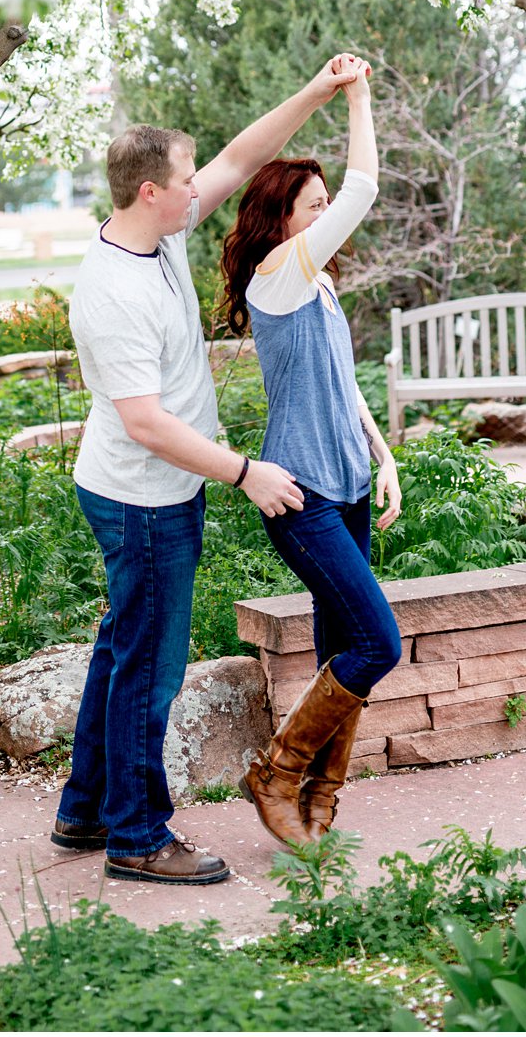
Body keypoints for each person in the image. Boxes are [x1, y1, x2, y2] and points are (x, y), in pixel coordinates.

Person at [52, 56, 366, 885]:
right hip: (143, 500)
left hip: (152, 491)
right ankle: (137, 839)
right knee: (148, 674)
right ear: (149, 191)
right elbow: (145, 422)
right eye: (186, 179)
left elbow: (237, 155)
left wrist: (317, 88)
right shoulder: (112, 292)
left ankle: (84, 810)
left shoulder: (160, 233)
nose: (204, 186)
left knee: (120, 650)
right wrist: (244, 472)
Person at [219, 58, 400, 845]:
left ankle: (321, 802)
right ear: (281, 218)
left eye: (327, 203)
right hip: (301, 496)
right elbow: (365, 188)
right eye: (315, 205)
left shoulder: (317, 283)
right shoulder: (276, 278)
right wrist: (356, 96)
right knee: (377, 645)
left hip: (348, 481)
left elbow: (340, 381)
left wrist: (380, 451)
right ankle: (277, 772)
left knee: (341, 651)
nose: (331, 214)